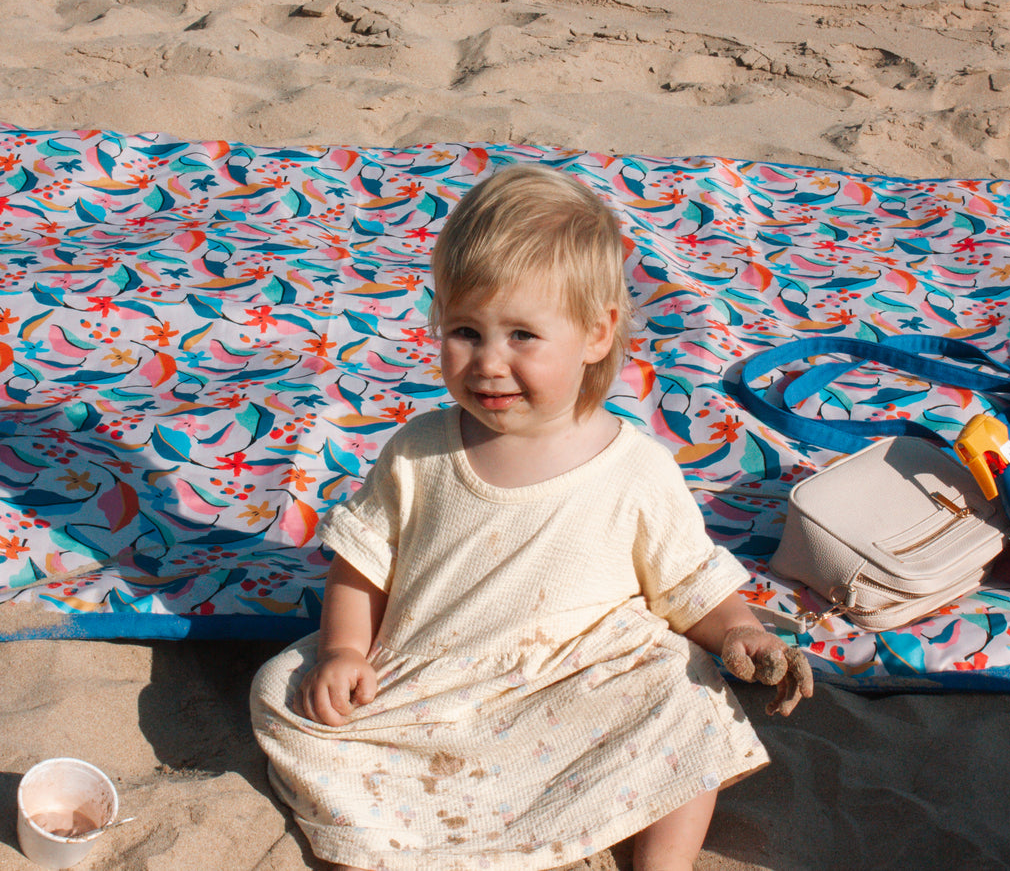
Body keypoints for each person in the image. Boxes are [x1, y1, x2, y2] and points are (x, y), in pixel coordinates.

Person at [250, 163, 813, 870]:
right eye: (464, 330)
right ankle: (412, 828)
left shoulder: (635, 469)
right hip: (433, 688)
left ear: (596, 333)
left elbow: (688, 587)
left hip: (570, 685)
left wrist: (741, 632)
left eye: (521, 334)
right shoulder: (419, 450)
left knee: (686, 685)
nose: (487, 362)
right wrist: (342, 650)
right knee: (280, 691)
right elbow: (360, 564)